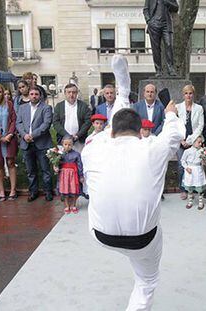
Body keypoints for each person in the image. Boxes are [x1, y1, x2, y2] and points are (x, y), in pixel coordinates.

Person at [82, 104, 185, 311]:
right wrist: (171, 114)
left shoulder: (92, 148)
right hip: (142, 240)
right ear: (140, 132)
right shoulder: (153, 147)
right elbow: (174, 133)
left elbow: (103, 134)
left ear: (111, 131)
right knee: (146, 282)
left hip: (102, 235)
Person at [16, 86, 54, 202]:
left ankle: (48, 191)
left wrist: (32, 135)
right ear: (29, 95)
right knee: (30, 171)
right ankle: (33, 192)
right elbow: (19, 123)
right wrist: (24, 135)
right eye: (31, 94)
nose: (34, 96)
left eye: (36, 94)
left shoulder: (46, 108)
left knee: (45, 170)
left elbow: (46, 124)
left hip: (41, 143)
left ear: (40, 96)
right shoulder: (22, 108)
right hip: (26, 144)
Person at [176, 84, 204, 200]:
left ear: (193, 94)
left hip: (195, 141)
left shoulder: (199, 108)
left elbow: (200, 125)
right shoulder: (178, 107)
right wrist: (181, 140)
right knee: (181, 165)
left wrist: (191, 140)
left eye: (190, 93)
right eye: (186, 93)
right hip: (181, 141)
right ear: (183, 95)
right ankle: (183, 189)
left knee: (196, 165)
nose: (188, 95)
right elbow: (175, 125)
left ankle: (195, 187)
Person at [143, 0, 179, 77]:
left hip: (166, 24)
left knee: (169, 45)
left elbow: (176, 8)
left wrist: (167, 2)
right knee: (156, 49)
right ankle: (158, 70)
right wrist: (149, 21)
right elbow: (145, 9)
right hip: (154, 24)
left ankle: (171, 68)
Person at [53, 83, 92, 152]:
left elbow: (88, 122)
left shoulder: (83, 106)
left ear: (77, 93)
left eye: (74, 92)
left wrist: (78, 135)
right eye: (69, 92)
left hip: (79, 141)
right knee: (63, 161)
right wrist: (67, 136)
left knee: (79, 161)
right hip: (63, 141)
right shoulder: (59, 106)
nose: (71, 94)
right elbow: (56, 122)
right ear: (65, 93)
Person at [55, 135, 84, 214]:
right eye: (65, 144)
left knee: (74, 191)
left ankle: (74, 205)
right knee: (65, 191)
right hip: (64, 176)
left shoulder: (77, 154)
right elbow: (56, 163)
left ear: (72, 145)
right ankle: (67, 206)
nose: (67, 146)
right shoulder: (59, 154)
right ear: (62, 144)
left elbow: (79, 165)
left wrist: (81, 175)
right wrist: (56, 167)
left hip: (73, 175)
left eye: (70, 145)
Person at [181, 136, 206, 210]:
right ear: (193, 142)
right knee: (190, 185)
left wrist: (204, 161)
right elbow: (183, 160)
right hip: (190, 170)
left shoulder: (202, 151)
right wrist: (186, 167)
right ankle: (190, 201)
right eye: (199, 142)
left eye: (201, 142)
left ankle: (201, 202)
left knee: (199, 185)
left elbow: (203, 162)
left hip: (198, 169)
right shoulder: (187, 151)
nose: (200, 144)